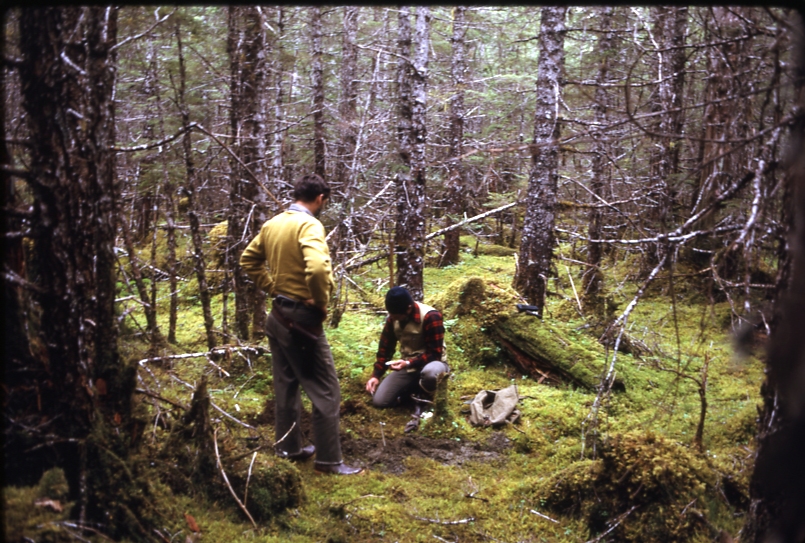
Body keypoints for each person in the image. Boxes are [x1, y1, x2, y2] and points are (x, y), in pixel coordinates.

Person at [240, 173, 361, 475]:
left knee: (286, 384)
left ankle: (288, 447)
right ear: (320, 199)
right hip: (301, 320)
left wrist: (272, 288)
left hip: (277, 316)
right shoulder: (309, 224)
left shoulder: (272, 224)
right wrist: (320, 303)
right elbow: (319, 268)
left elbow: (248, 260)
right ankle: (330, 461)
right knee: (326, 389)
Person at [365, 286, 449, 421]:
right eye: (391, 315)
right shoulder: (393, 318)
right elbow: (385, 349)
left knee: (430, 373)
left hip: (434, 363)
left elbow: (435, 353)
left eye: (396, 316)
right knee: (380, 401)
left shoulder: (431, 317)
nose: (393, 318)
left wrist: (408, 363)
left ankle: (428, 398)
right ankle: (413, 391)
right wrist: (376, 375)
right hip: (409, 367)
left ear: (408, 308)